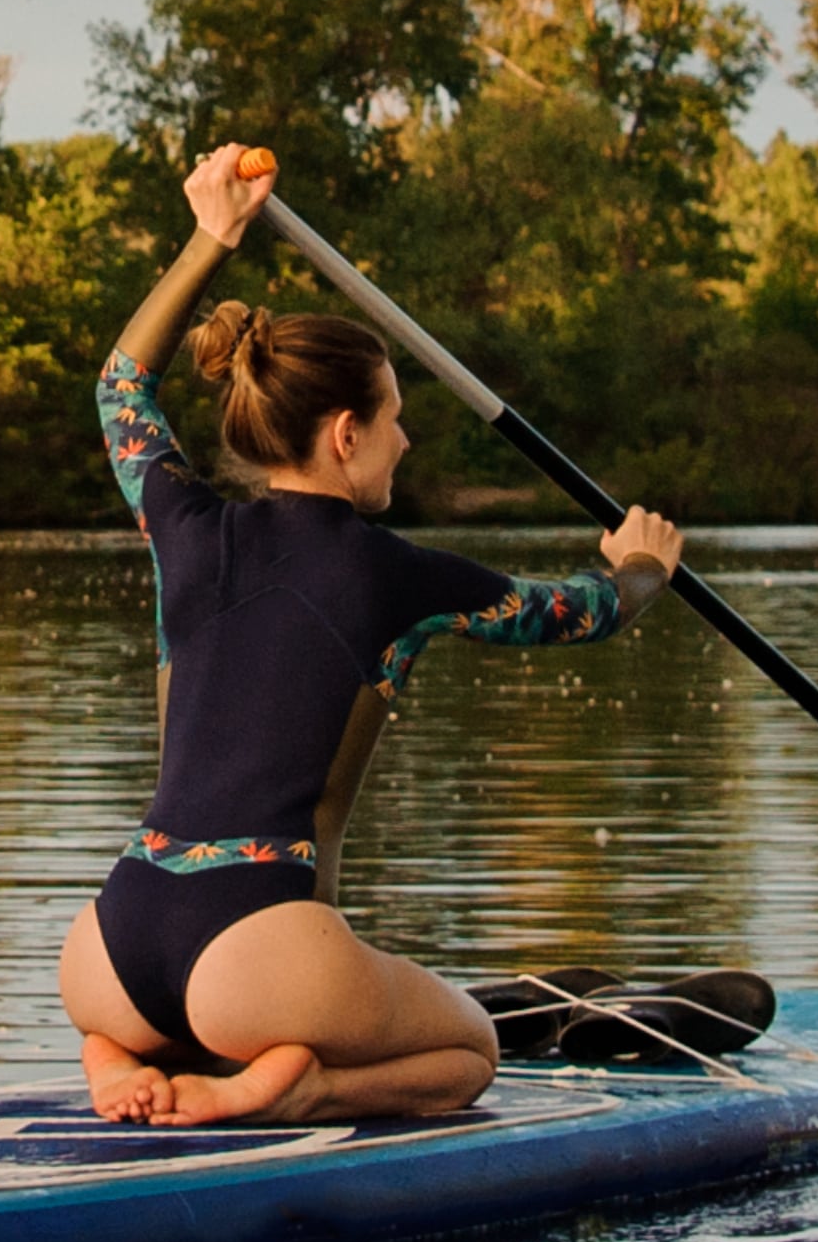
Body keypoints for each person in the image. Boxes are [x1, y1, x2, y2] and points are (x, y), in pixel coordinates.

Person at [59, 141, 686, 1127]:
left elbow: (120, 390)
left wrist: (208, 242)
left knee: (149, 1010)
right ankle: (294, 1086)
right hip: (257, 955)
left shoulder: (182, 526)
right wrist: (644, 564)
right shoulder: (394, 573)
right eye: (394, 418)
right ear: (346, 433)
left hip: (111, 944)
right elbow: (580, 613)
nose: (408, 438)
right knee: (467, 1049)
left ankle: (115, 1061)